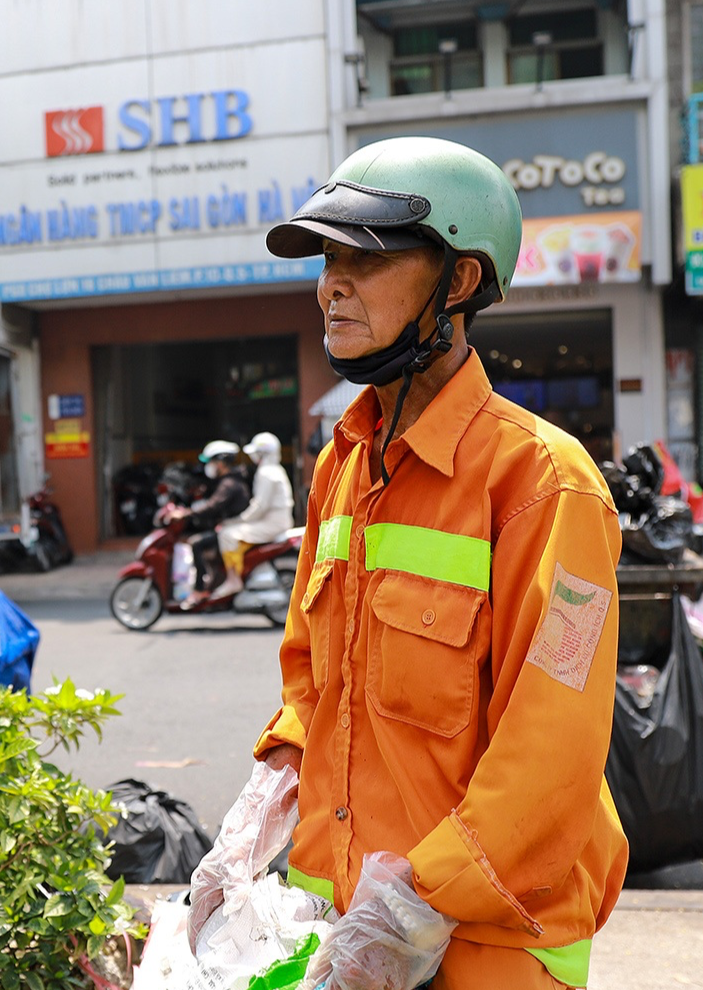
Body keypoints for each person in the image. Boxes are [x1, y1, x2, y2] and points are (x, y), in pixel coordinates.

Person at [251, 136, 626, 988]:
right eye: (326, 258)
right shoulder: (337, 465)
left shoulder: (544, 482)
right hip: (341, 930)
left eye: (365, 258)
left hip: (483, 948)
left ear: (457, 282)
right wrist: (268, 791)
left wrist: (412, 908)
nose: (330, 284)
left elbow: (553, 744)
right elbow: (312, 677)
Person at [168, 440, 251, 601]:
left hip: (233, 528)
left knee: (196, 543)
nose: (210, 466)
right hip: (229, 526)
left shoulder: (229, 484)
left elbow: (213, 506)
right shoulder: (229, 480)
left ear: (221, 463)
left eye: (212, 462)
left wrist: (186, 514)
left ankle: (199, 590)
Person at [214, 432, 294, 597]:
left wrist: (238, 520)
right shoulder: (275, 470)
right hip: (277, 521)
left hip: (272, 524)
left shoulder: (266, 473)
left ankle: (233, 580)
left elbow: (259, 507)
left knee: (226, 535)